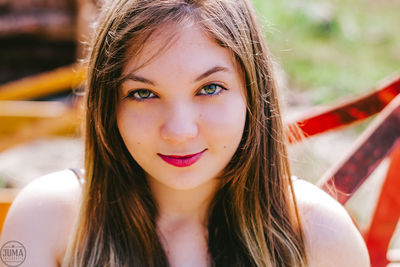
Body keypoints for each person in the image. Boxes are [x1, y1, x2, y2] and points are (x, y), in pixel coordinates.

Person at [0, 0, 370, 266]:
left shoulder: (319, 237)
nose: (178, 131)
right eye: (143, 93)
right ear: (108, 106)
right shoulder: (48, 220)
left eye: (209, 89)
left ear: (252, 93)